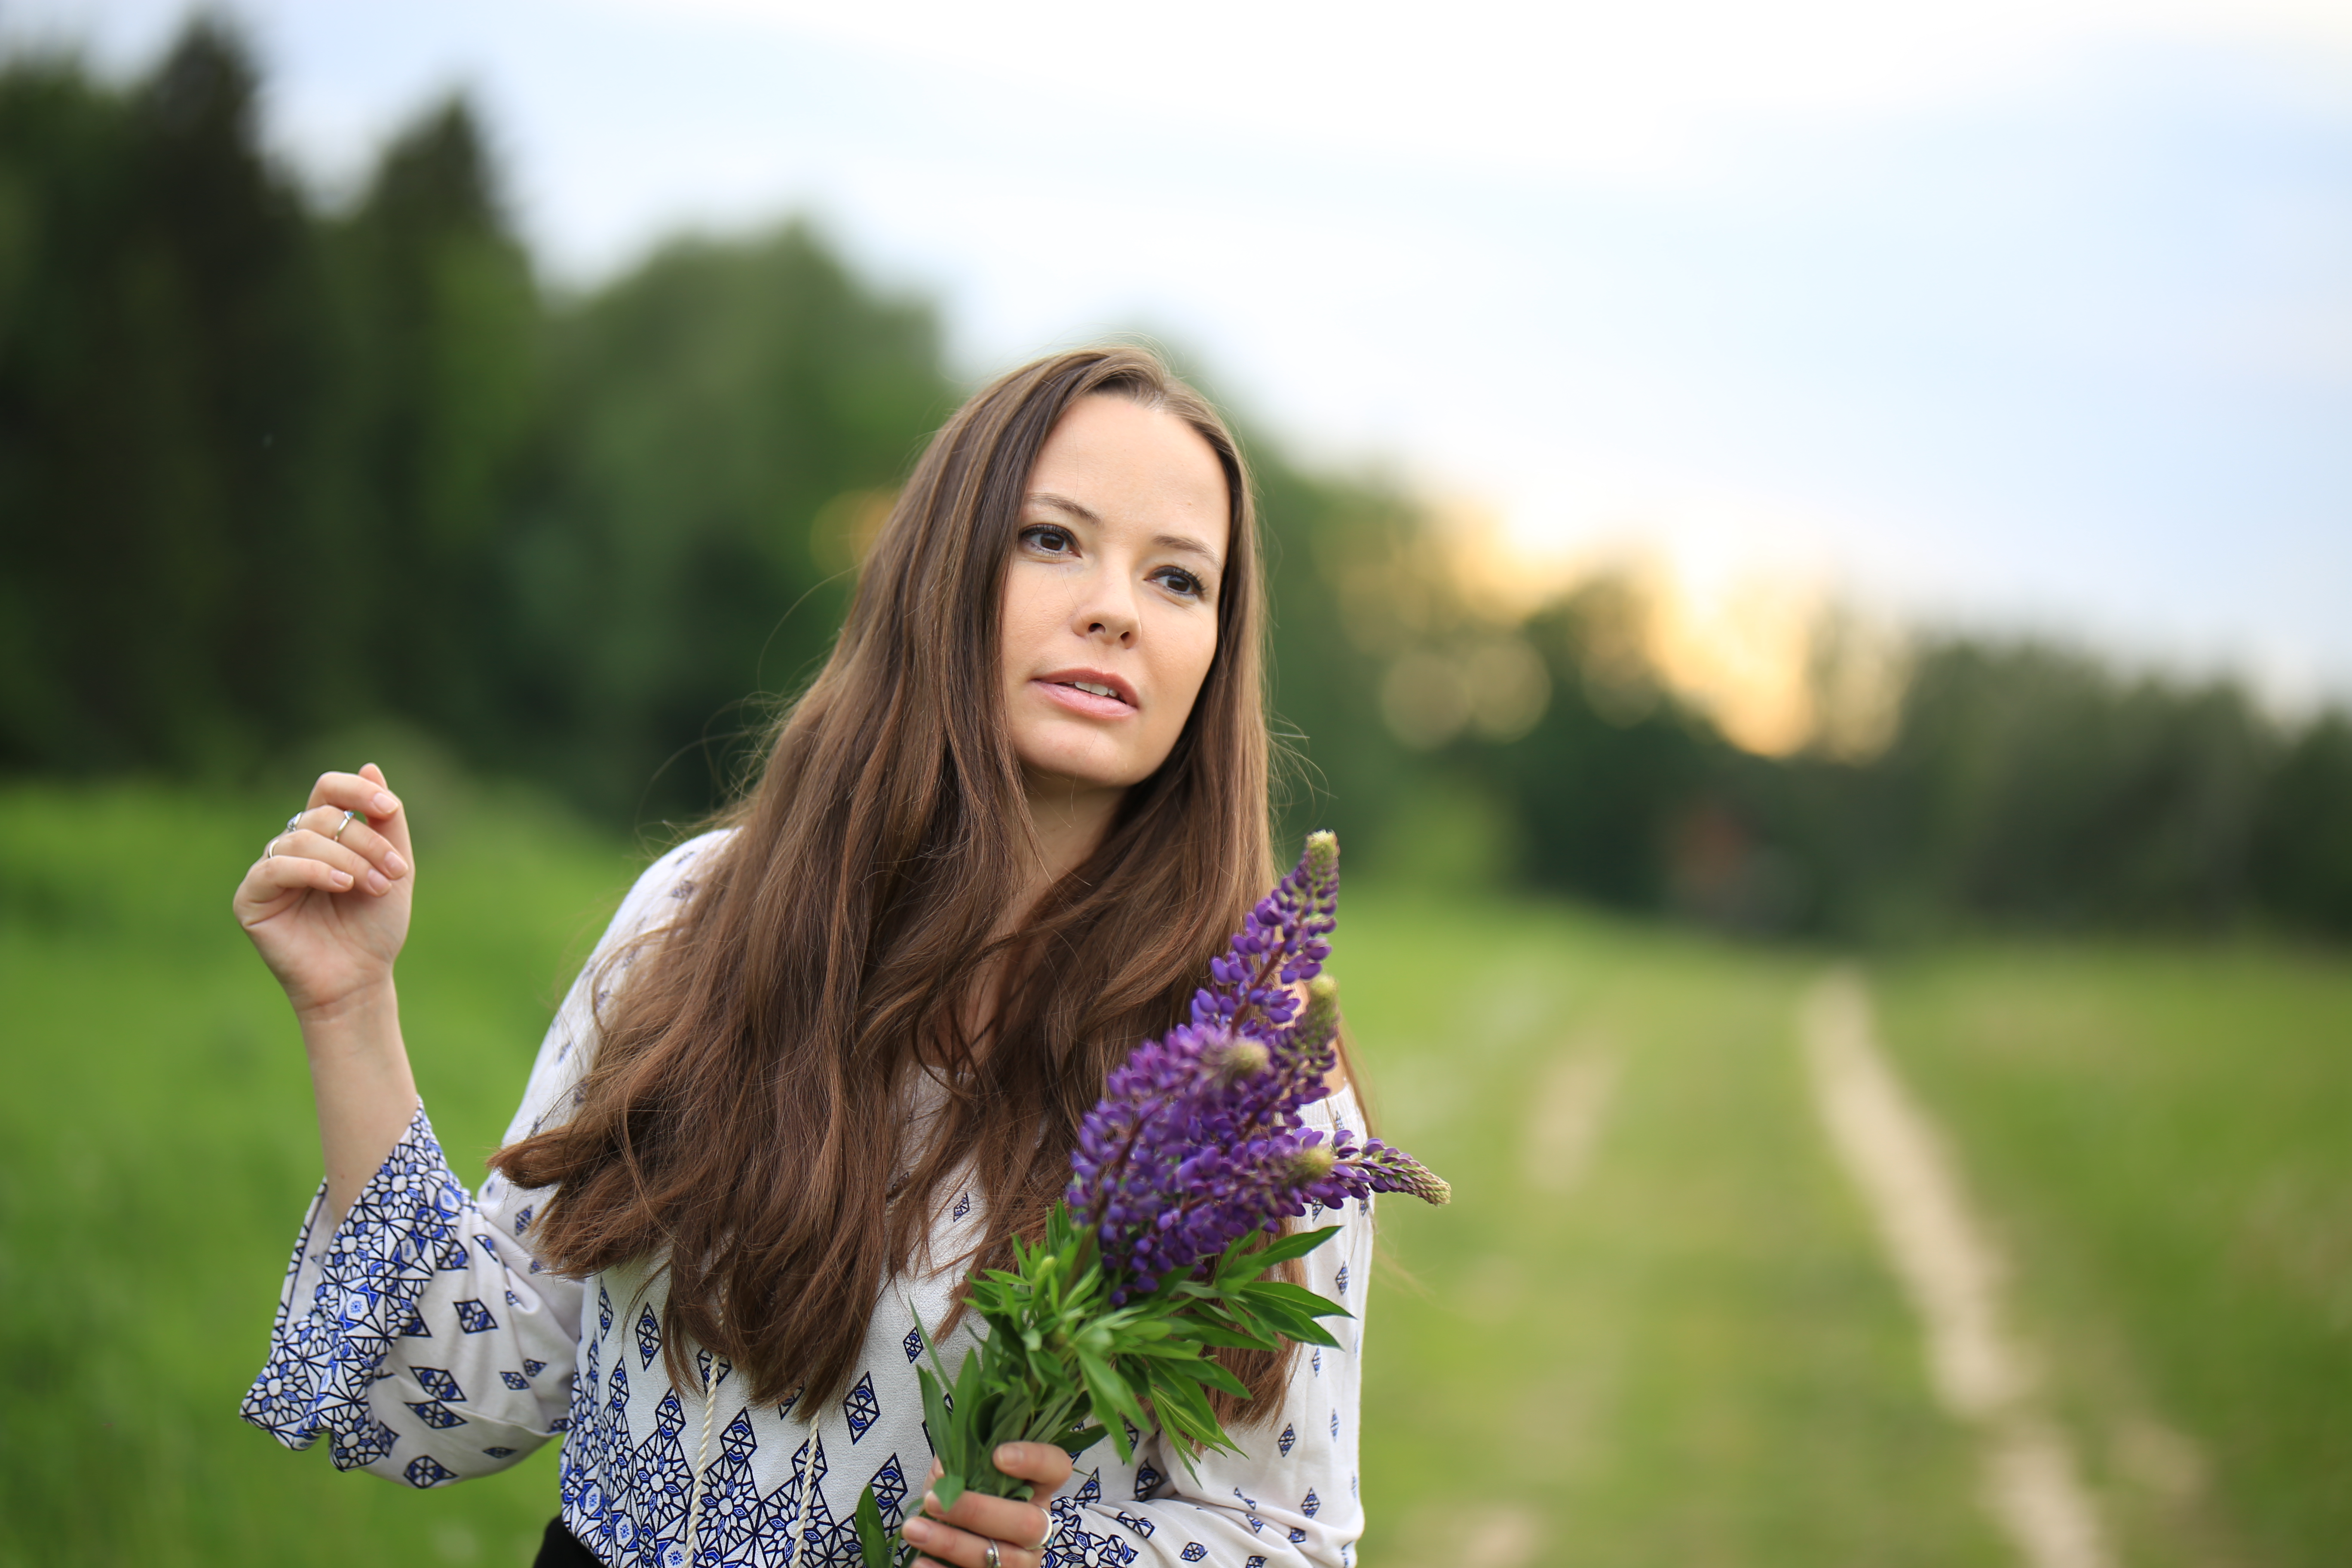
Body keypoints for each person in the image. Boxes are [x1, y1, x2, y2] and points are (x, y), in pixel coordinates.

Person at [234, 347, 1377, 1568]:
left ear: (1215, 651)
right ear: (944, 569)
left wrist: (1062, 1558)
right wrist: (350, 1005)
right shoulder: (701, 917)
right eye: (1054, 540)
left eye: (1178, 579)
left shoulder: (1250, 1092)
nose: (1117, 608)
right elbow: (457, 1401)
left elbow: (1282, 1539)